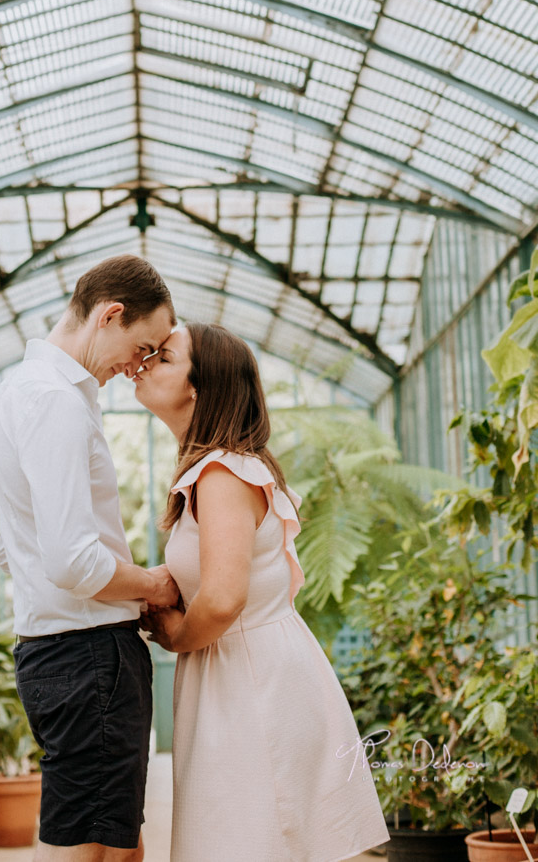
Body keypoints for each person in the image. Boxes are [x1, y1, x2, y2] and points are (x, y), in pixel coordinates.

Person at [135, 323, 391, 862]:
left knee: (242, 842)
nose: (144, 363)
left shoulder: (223, 473)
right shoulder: (222, 467)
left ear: (199, 388)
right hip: (245, 672)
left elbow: (225, 597)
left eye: (163, 358)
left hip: (249, 683)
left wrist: (179, 636)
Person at [0, 255, 180, 862]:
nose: (138, 366)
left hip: (67, 651)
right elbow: (72, 561)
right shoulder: (56, 402)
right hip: (88, 654)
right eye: (142, 346)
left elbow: (11, 548)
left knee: (119, 847)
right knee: (84, 849)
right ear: (110, 315)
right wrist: (153, 584)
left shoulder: (23, 392)